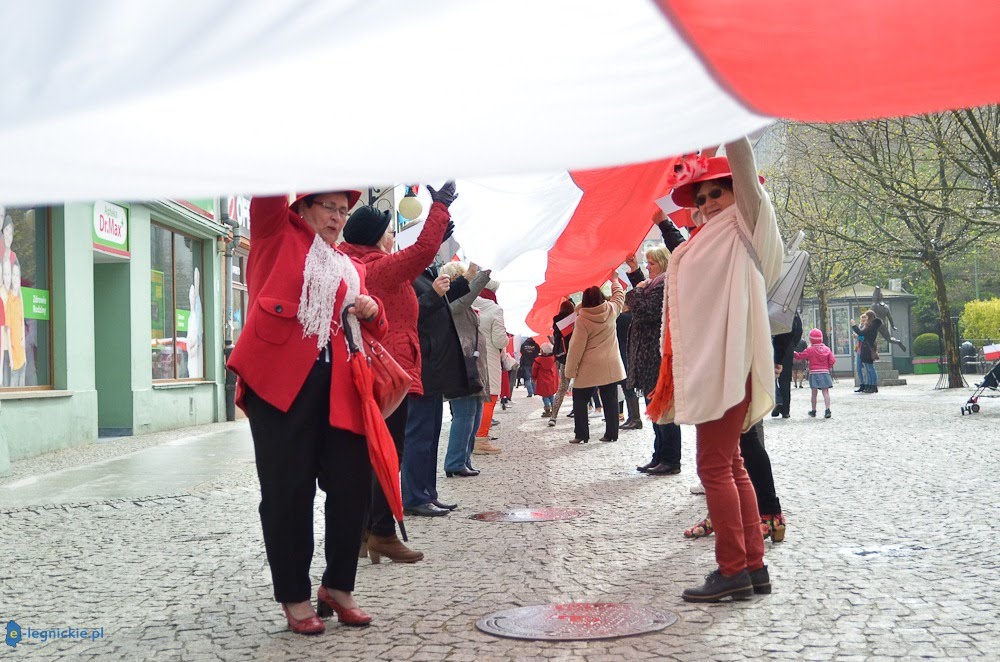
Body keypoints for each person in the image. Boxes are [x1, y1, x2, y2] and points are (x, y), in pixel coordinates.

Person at [227, 189, 386, 635]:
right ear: (305, 207)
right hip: (280, 386)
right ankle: (294, 595)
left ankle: (338, 586)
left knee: (352, 486)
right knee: (288, 492)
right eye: (330, 208)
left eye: (343, 211)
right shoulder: (276, 233)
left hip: (341, 387)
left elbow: (375, 321)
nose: (338, 218)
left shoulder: (350, 265)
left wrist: (373, 309)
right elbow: (267, 189)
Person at [648, 136, 783, 602]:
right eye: (699, 197)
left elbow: (745, 169)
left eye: (715, 192)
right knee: (731, 464)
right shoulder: (710, 235)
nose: (705, 202)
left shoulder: (745, 223)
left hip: (727, 364)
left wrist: (727, 127)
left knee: (714, 468)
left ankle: (731, 569)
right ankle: (751, 567)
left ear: (737, 194)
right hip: (717, 364)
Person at [341, 184, 456, 544]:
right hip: (389, 371)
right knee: (388, 452)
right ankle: (378, 532)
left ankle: (369, 532)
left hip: (385, 366)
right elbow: (419, 253)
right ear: (376, 237)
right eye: (389, 232)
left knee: (377, 452)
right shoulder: (376, 268)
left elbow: (417, 257)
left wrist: (437, 236)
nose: (393, 237)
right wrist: (440, 207)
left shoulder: (361, 264)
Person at [625, 246, 683, 475]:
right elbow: (645, 295)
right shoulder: (655, 285)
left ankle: (670, 459)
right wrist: (634, 270)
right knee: (654, 411)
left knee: (664, 412)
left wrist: (635, 291)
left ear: (663, 263)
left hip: (657, 359)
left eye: (651, 263)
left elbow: (645, 309)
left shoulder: (664, 287)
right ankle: (659, 455)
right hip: (649, 359)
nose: (647, 267)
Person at [439, 262, 492, 478]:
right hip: (462, 364)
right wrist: (483, 273)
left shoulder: (460, 304)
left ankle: (464, 459)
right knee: (465, 416)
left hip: (471, 364)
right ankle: (454, 461)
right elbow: (469, 295)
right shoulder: (453, 302)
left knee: (474, 415)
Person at [564, 279, 626, 444]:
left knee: (580, 399)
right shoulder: (612, 309)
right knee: (610, 398)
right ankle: (612, 434)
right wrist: (614, 280)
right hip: (610, 363)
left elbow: (576, 348)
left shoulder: (582, 319)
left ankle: (582, 434)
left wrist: (569, 371)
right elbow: (619, 295)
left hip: (589, 365)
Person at [473, 281, 508, 454]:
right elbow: (500, 340)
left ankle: (468, 439)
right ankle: (481, 439)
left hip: (467, 356)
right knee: (490, 396)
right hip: (488, 357)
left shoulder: (465, 301)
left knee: (470, 400)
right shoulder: (494, 309)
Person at [546, 300, 576, 426]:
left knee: (562, 388)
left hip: (564, 359)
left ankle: (553, 417)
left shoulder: (557, 323)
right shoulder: (575, 321)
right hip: (577, 357)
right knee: (581, 387)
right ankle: (582, 415)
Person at [795, 328, 836, 418]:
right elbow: (832, 360)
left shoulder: (810, 350)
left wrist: (793, 352)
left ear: (811, 339)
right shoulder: (827, 349)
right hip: (825, 372)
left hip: (814, 373)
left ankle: (813, 410)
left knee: (814, 393)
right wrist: (827, 367)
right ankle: (827, 409)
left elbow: (800, 356)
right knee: (826, 392)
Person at [771, 311, 803, 418]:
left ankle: (778, 401)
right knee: (785, 380)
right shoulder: (793, 312)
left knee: (772, 377)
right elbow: (799, 330)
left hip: (772, 345)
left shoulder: (772, 308)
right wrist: (792, 344)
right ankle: (785, 409)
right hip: (787, 347)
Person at [6, 260, 25, 387]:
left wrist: (25, 357)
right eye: (14, 275)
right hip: (14, 360)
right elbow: (8, 332)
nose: (16, 278)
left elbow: (22, 324)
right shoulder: (9, 302)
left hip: (22, 358)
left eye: (18, 275)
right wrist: (11, 359)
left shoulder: (18, 301)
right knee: (13, 392)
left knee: (22, 393)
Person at [852, 311, 882, 393]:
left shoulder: (872, 326)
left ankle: (873, 386)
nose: (866, 319)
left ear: (870, 317)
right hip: (865, 349)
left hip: (868, 349)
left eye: (867, 317)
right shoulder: (869, 326)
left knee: (870, 368)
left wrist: (854, 325)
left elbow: (861, 333)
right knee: (868, 369)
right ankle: (869, 385)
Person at [532, 342, 559, 417]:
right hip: (552, 380)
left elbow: (534, 370)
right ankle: (554, 409)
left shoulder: (538, 360)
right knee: (551, 395)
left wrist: (534, 378)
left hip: (542, 380)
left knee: (545, 396)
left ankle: (547, 410)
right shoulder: (553, 358)